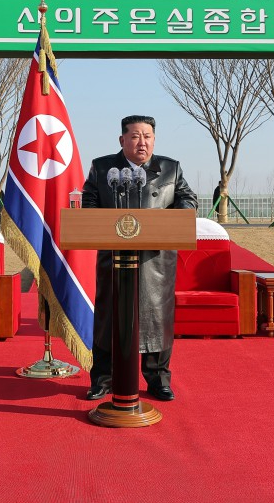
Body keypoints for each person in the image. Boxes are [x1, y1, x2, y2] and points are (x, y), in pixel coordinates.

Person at [82, 115, 198, 401]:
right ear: (122, 140)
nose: (142, 143)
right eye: (135, 136)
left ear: (154, 140)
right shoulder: (102, 168)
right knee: (109, 319)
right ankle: (103, 380)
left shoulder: (170, 168)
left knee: (156, 318)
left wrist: (177, 215)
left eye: (147, 136)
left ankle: (158, 380)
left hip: (155, 261)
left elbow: (188, 198)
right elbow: (89, 201)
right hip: (114, 259)